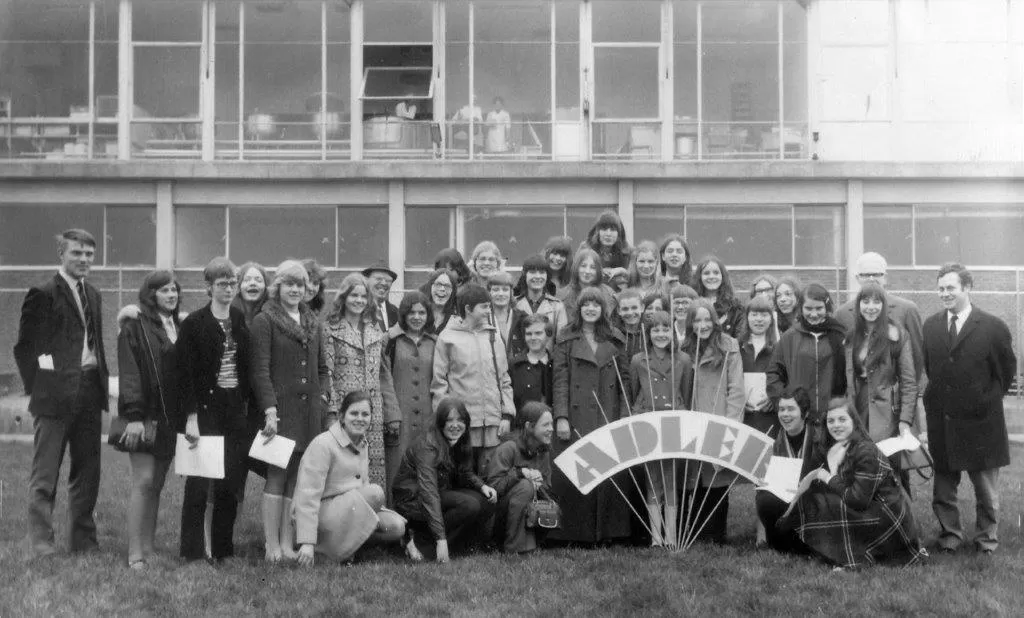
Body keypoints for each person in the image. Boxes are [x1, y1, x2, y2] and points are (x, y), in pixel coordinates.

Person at [15, 229, 109, 559]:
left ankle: (82, 542)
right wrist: (41, 388)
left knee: (87, 473)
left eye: (89, 254)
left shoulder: (94, 294)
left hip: (89, 392)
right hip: (53, 398)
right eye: (76, 253)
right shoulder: (42, 293)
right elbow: (28, 349)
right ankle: (40, 545)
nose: (83, 259)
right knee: (45, 475)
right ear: (61, 254)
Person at [923, 263, 1016, 555]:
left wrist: (983, 400)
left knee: (986, 491)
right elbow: (932, 368)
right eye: (940, 288)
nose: (945, 294)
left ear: (967, 288)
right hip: (944, 421)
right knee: (943, 490)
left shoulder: (993, 326)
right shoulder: (931, 325)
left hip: (981, 422)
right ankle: (950, 537)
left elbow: (1006, 371)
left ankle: (986, 541)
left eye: (951, 288)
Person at [250, 260, 330, 562]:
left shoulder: (312, 321)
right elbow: (260, 371)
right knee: (277, 474)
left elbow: (323, 368)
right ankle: (271, 545)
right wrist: (270, 410)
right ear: (278, 287)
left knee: (297, 476)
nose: (295, 289)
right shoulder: (265, 320)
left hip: (309, 412)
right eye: (289, 284)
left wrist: (322, 398)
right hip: (280, 412)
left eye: (300, 284)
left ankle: (286, 543)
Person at [786, 398, 923, 569]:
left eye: (842, 419)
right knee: (812, 500)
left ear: (854, 421)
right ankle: (830, 552)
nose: (836, 425)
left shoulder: (865, 450)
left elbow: (857, 501)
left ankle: (854, 558)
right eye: (831, 420)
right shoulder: (839, 446)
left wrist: (829, 476)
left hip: (886, 518)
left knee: (827, 505)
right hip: (869, 507)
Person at [176, 257, 251, 563]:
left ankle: (222, 549)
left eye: (232, 283)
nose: (228, 289)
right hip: (206, 410)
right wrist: (191, 418)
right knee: (198, 483)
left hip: (234, 408)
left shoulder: (238, 317)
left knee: (230, 482)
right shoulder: (194, 323)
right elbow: (186, 375)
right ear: (208, 287)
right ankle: (192, 552)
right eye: (222, 284)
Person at [550, 286, 633, 545]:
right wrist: (561, 417)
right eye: (586, 304)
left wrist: (623, 418)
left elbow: (624, 383)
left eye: (596, 304)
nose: (590, 309)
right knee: (579, 469)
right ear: (579, 308)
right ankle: (577, 534)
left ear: (603, 309)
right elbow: (560, 380)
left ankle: (609, 533)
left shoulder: (615, 339)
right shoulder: (566, 338)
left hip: (607, 413)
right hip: (577, 416)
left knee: (609, 473)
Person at [292, 391, 406, 567]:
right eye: (354, 413)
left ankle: (344, 550)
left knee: (396, 526)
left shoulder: (362, 442)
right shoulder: (323, 444)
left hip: (349, 512)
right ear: (341, 416)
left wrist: (393, 514)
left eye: (365, 414)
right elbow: (307, 496)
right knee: (375, 493)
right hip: (320, 517)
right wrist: (307, 541)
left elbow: (362, 487)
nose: (360, 419)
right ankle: (322, 551)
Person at [117, 270, 181, 569]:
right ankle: (134, 554)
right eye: (164, 290)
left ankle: (149, 546)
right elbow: (130, 373)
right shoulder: (134, 325)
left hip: (169, 418)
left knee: (156, 484)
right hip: (142, 417)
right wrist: (133, 416)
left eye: (174, 290)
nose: (171, 295)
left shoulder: (177, 326)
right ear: (150, 293)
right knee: (142, 481)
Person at [392, 398, 498, 562]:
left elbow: (465, 472)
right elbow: (429, 492)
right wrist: (440, 538)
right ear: (440, 422)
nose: (455, 425)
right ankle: (419, 542)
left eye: (460, 420)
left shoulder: (460, 438)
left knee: (486, 500)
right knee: (469, 505)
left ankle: (462, 546)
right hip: (412, 499)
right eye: (449, 420)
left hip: (439, 491)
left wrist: (482, 486)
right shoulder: (427, 445)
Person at [324, 273, 400, 494]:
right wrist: (331, 411)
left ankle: (373, 519)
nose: (358, 300)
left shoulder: (375, 329)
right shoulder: (330, 329)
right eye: (353, 295)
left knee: (372, 468)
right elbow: (326, 373)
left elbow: (381, 373)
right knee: (343, 465)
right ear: (344, 297)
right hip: (344, 410)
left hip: (372, 412)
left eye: (363, 296)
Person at [679, 298, 745, 544]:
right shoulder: (684, 347)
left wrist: (731, 425)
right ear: (690, 323)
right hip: (692, 419)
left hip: (718, 416)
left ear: (715, 321)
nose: (703, 324)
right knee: (694, 477)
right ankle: (694, 530)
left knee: (716, 476)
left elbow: (736, 389)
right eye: (697, 320)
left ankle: (716, 533)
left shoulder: (729, 346)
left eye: (707, 319)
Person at [432, 283, 515, 474]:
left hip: (494, 427)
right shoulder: (447, 338)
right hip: (462, 427)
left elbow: (504, 378)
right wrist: (446, 422)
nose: (489, 311)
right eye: (484, 306)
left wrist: (507, 415)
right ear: (468, 309)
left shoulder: (493, 336)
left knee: (493, 481)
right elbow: (439, 384)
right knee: (463, 482)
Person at [629, 310, 693, 546]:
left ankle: (672, 536)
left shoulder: (683, 360)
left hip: (673, 421)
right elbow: (634, 391)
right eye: (655, 329)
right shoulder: (638, 360)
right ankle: (656, 537)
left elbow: (685, 391)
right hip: (647, 420)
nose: (661, 334)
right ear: (648, 333)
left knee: (671, 477)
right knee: (652, 477)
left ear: (672, 331)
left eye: (665, 329)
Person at [844, 282, 917, 445]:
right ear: (858, 305)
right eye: (866, 301)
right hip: (858, 405)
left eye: (877, 302)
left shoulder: (898, 335)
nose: (871, 307)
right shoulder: (852, 336)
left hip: (888, 410)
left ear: (884, 305)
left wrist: (905, 421)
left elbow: (909, 382)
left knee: (887, 460)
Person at [766, 283, 847, 430]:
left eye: (819, 308)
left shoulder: (840, 335)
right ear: (801, 308)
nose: (814, 314)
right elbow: (773, 373)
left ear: (826, 308)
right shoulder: (790, 337)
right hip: (799, 419)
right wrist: (785, 405)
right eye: (808, 309)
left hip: (832, 417)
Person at [835, 252, 923, 383]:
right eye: (865, 275)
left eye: (877, 274)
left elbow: (917, 355)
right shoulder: (842, 314)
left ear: (885, 277)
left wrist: (915, 394)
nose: (871, 278)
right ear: (857, 278)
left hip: (895, 393)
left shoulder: (907, 309)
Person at [384, 291, 437, 497]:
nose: (417, 317)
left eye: (422, 312)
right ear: (404, 314)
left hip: (427, 418)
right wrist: (391, 414)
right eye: (412, 312)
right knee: (395, 468)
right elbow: (384, 378)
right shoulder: (390, 340)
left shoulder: (435, 342)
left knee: (424, 469)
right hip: (399, 418)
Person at [485, 401, 554, 553]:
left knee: (545, 500)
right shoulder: (508, 448)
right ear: (529, 426)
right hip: (498, 515)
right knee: (525, 487)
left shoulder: (544, 451)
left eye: (552, 424)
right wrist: (520, 473)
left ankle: (531, 544)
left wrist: (538, 485)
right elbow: (494, 488)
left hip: (527, 508)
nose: (551, 429)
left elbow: (547, 486)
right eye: (546, 425)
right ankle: (512, 549)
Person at [754, 386, 811, 553]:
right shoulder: (779, 440)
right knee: (764, 497)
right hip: (788, 495)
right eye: (781, 409)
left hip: (814, 497)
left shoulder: (818, 437)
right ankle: (780, 544)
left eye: (791, 409)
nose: (785, 414)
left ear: (805, 413)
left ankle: (808, 544)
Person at [738, 295, 779, 435]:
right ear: (747, 317)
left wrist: (775, 398)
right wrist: (738, 402)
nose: (759, 319)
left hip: (770, 419)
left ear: (771, 318)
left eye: (764, 315)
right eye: (754, 314)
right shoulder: (736, 346)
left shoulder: (780, 347)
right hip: (743, 420)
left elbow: (787, 379)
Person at [513, 254, 568, 340]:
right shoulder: (514, 304)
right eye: (532, 272)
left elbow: (562, 343)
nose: (538, 276)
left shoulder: (557, 307)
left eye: (542, 272)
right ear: (525, 275)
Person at [509, 314, 554, 411]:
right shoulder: (515, 365)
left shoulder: (557, 364)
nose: (533, 338)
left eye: (538, 333)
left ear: (548, 335)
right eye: (529, 334)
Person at [693, 256, 745, 339]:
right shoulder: (692, 303)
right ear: (700, 277)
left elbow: (739, 338)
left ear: (722, 276)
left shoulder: (736, 307)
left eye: (716, 273)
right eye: (706, 273)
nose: (711, 276)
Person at [557, 248, 614, 322]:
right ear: (576, 268)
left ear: (598, 270)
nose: (587, 271)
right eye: (583, 266)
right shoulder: (562, 295)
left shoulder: (609, 294)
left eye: (593, 267)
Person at [580, 210, 631, 285]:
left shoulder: (628, 251)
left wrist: (623, 271)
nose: (608, 234)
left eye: (613, 230)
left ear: (619, 233)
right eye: (604, 229)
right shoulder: (585, 248)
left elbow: (634, 279)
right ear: (597, 232)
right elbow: (576, 275)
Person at [487, 271, 528, 359]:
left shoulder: (522, 318)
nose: (501, 294)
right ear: (489, 292)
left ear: (511, 292)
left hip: (516, 369)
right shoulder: (483, 318)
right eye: (496, 289)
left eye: (505, 290)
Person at [418, 268, 457, 335]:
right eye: (438, 284)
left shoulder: (456, 319)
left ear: (452, 291)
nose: (442, 289)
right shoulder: (417, 313)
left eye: (447, 286)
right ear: (430, 287)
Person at [362, 264, 400, 332]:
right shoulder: (357, 309)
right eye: (378, 279)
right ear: (366, 280)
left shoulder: (396, 313)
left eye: (388, 280)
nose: (384, 283)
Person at [232, 261, 269, 326]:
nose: (253, 283)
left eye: (258, 280)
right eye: (247, 280)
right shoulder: (228, 312)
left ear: (265, 286)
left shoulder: (273, 315)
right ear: (238, 286)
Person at [614, 288, 645, 363]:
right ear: (619, 311)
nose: (630, 313)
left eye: (634, 308)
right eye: (625, 309)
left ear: (642, 308)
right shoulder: (613, 336)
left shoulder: (649, 334)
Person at [749, 274, 781, 340]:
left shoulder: (784, 315)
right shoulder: (749, 318)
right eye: (759, 291)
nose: (764, 294)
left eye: (768, 290)